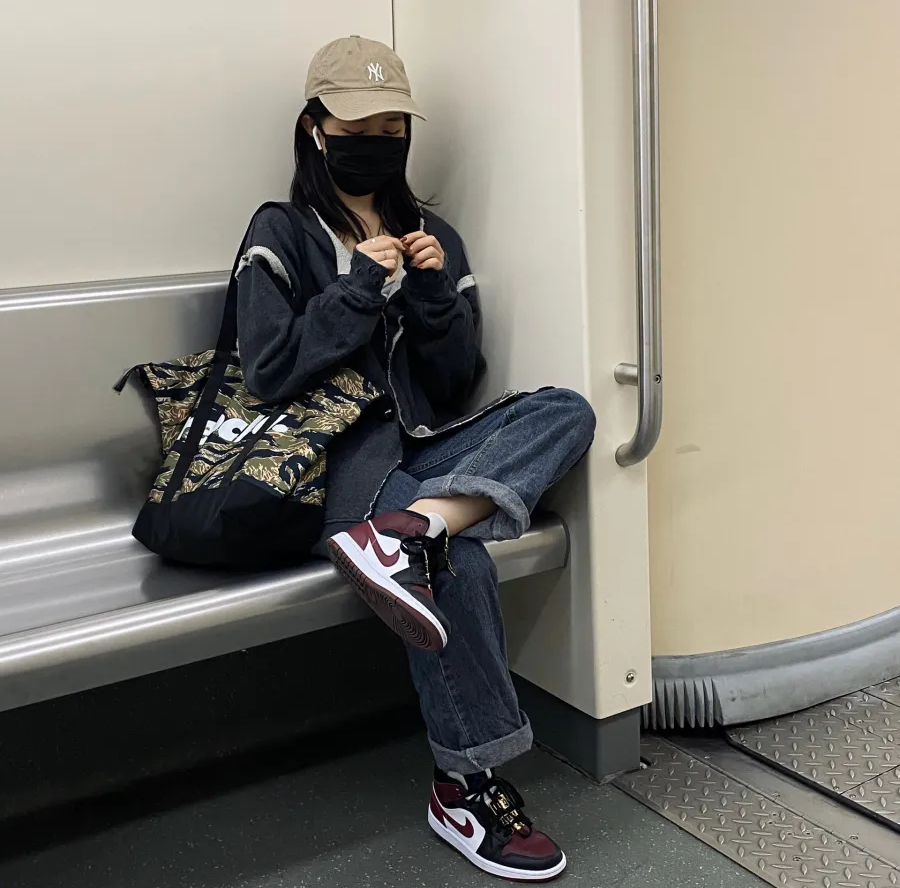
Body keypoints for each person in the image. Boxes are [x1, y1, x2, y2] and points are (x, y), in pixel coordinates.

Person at [236, 35, 595, 882]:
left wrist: (434, 294)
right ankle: (467, 787)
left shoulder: (435, 237)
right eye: (357, 127)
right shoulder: (280, 231)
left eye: (392, 127)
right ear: (316, 128)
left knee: (567, 410)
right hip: (338, 467)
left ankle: (417, 527)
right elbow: (268, 373)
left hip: (425, 453)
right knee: (456, 561)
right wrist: (357, 288)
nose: (377, 141)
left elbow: (455, 381)